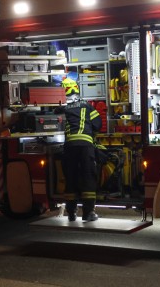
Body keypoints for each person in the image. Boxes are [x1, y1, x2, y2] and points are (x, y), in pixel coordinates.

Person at [59, 78, 102, 222]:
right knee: (88, 177)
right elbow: (98, 124)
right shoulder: (87, 105)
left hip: (70, 147)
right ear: (76, 88)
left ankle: (71, 213)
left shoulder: (62, 108)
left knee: (70, 178)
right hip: (85, 146)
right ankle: (88, 213)